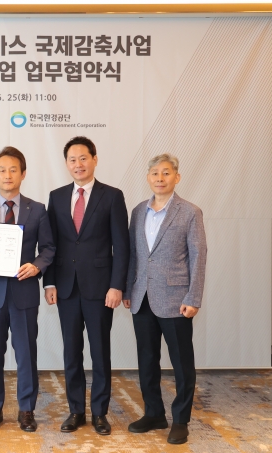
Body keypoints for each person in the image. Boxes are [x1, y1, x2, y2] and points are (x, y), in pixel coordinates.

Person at [43, 136, 129, 435]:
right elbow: (50, 244)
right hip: (66, 287)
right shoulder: (56, 197)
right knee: (71, 352)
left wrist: (117, 285)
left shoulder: (112, 196)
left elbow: (121, 245)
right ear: (66, 164)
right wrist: (49, 282)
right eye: (72, 159)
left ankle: (100, 413)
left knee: (100, 351)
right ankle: (76, 410)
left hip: (100, 288)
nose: (78, 164)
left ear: (94, 159)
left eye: (83, 158)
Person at [123, 154, 206, 445]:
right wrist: (127, 289)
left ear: (176, 177)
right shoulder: (138, 211)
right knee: (147, 359)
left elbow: (198, 256)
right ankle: (154, 414)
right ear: (148, 177)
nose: (160, 178)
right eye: (155, 173)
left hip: (176, 299)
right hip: (142, 297)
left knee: (182, 362)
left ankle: (181, 420)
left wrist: (193, 296)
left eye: (166, 173)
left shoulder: (190, 212)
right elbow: (134, 254)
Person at [0, 147, 55, 433]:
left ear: (23, 173)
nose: (7, 175)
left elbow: (48, 248)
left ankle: (26, 409)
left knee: (26, 354)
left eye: (13, 170)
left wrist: (37, 266)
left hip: (24, 293)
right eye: (2, 170)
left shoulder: (38, 209)